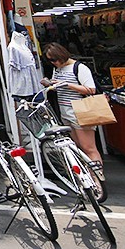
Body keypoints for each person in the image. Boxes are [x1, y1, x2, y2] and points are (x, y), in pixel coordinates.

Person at [42, 42, 105, 176]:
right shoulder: (57, 69)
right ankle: (87, 178)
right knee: (77, 147)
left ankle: (98, 180)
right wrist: (50, 83)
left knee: (88, 147)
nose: (53, 63)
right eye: (50, 60)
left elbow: (91, 89)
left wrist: (67, 85)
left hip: (80, 110)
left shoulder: (79, 68)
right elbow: (58, 85)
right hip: (65, 111)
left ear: (61, 55)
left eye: (54, 59)